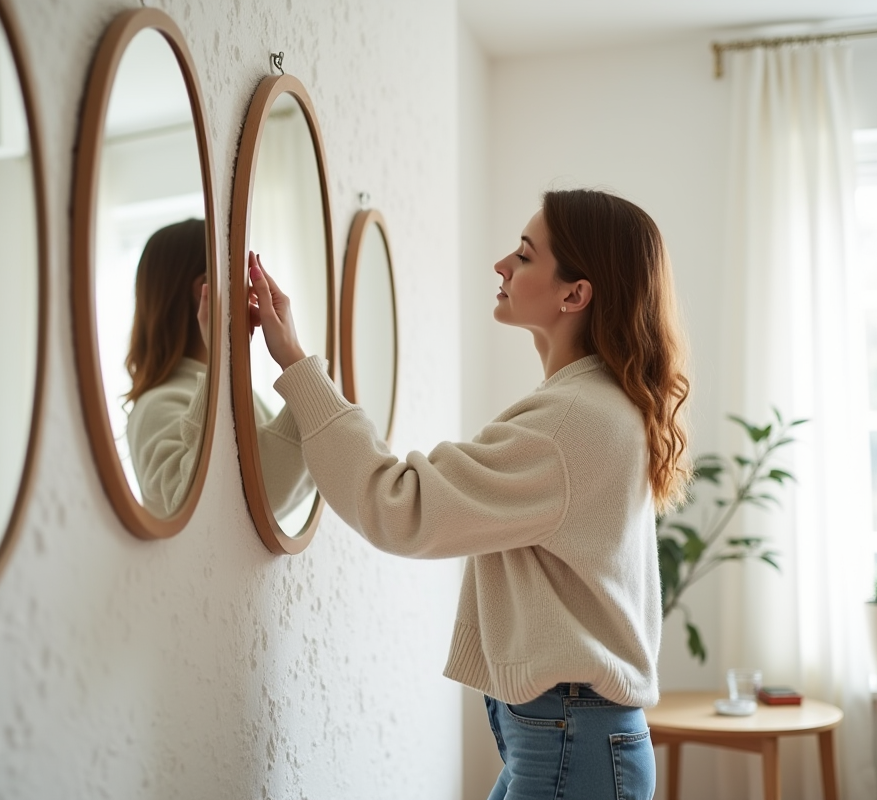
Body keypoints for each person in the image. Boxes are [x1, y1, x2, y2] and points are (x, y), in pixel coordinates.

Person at [248, 189, 690, 799]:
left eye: (525, 256)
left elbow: (400, 506)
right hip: (569, 739)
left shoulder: (572, 420)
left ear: (574, 294)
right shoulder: (598, 407)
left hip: (570, 742)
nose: (501, 265)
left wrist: (297, 366)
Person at [124, 219, 313, 519]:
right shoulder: (155, 407)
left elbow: (277, 491)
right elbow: (207, 506)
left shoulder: (237, 391)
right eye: (235, 276)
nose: (250, 289)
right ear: (205, 290)